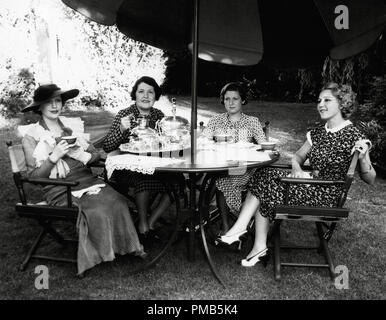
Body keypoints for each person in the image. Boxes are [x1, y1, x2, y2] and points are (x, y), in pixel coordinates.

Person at [217, 82, 376, 267]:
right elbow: (299, 156)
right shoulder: (317, 133)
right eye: (319, 100)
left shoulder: (353, 135)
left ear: (342, 104)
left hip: (326, 196)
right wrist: (297, 168)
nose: (320, 104)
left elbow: (370, 178)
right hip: (307, 186)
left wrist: (364, 158)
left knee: (266, 183)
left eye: (327, 100)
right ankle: (253, 241)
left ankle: (244, 233)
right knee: (263, 174)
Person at [20, 84, 146, 276]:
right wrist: (54, 157)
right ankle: (99, 254)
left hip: (87, 180)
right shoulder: (32, 137)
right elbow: (35, 178)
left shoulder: (70, 129)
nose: (55, 106)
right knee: (96, 209)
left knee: (118, 201)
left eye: (58, 101)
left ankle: (125, 246)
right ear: (40, 107)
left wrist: (82, 153)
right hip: (61, 188)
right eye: (49, 102)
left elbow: (94, 155)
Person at [103, 76, 184, 240]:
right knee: (144, 181)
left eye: (150, 92)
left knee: (178, 181)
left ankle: (151, 220)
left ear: (155, 96)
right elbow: (107, 146)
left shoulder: (158, 115)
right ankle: (143, 227)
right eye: (141, 92)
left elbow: (167, 142)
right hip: (127, 169)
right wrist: (121, 129)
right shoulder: (125, 115)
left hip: (155, 165)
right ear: (135, 95)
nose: (146, 96)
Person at [202, 82, 266, 233]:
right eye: (227, 99)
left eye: (235, 99)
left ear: (242, 100)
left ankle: (226, 225)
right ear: (223, 101)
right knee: (220, 177)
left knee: (222, 180)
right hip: (218, 166)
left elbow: (264, 144)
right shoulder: (215, 120)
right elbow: (203, 143)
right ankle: (225, 224)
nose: (230, 103)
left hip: (244, 168)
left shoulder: (252, 122)